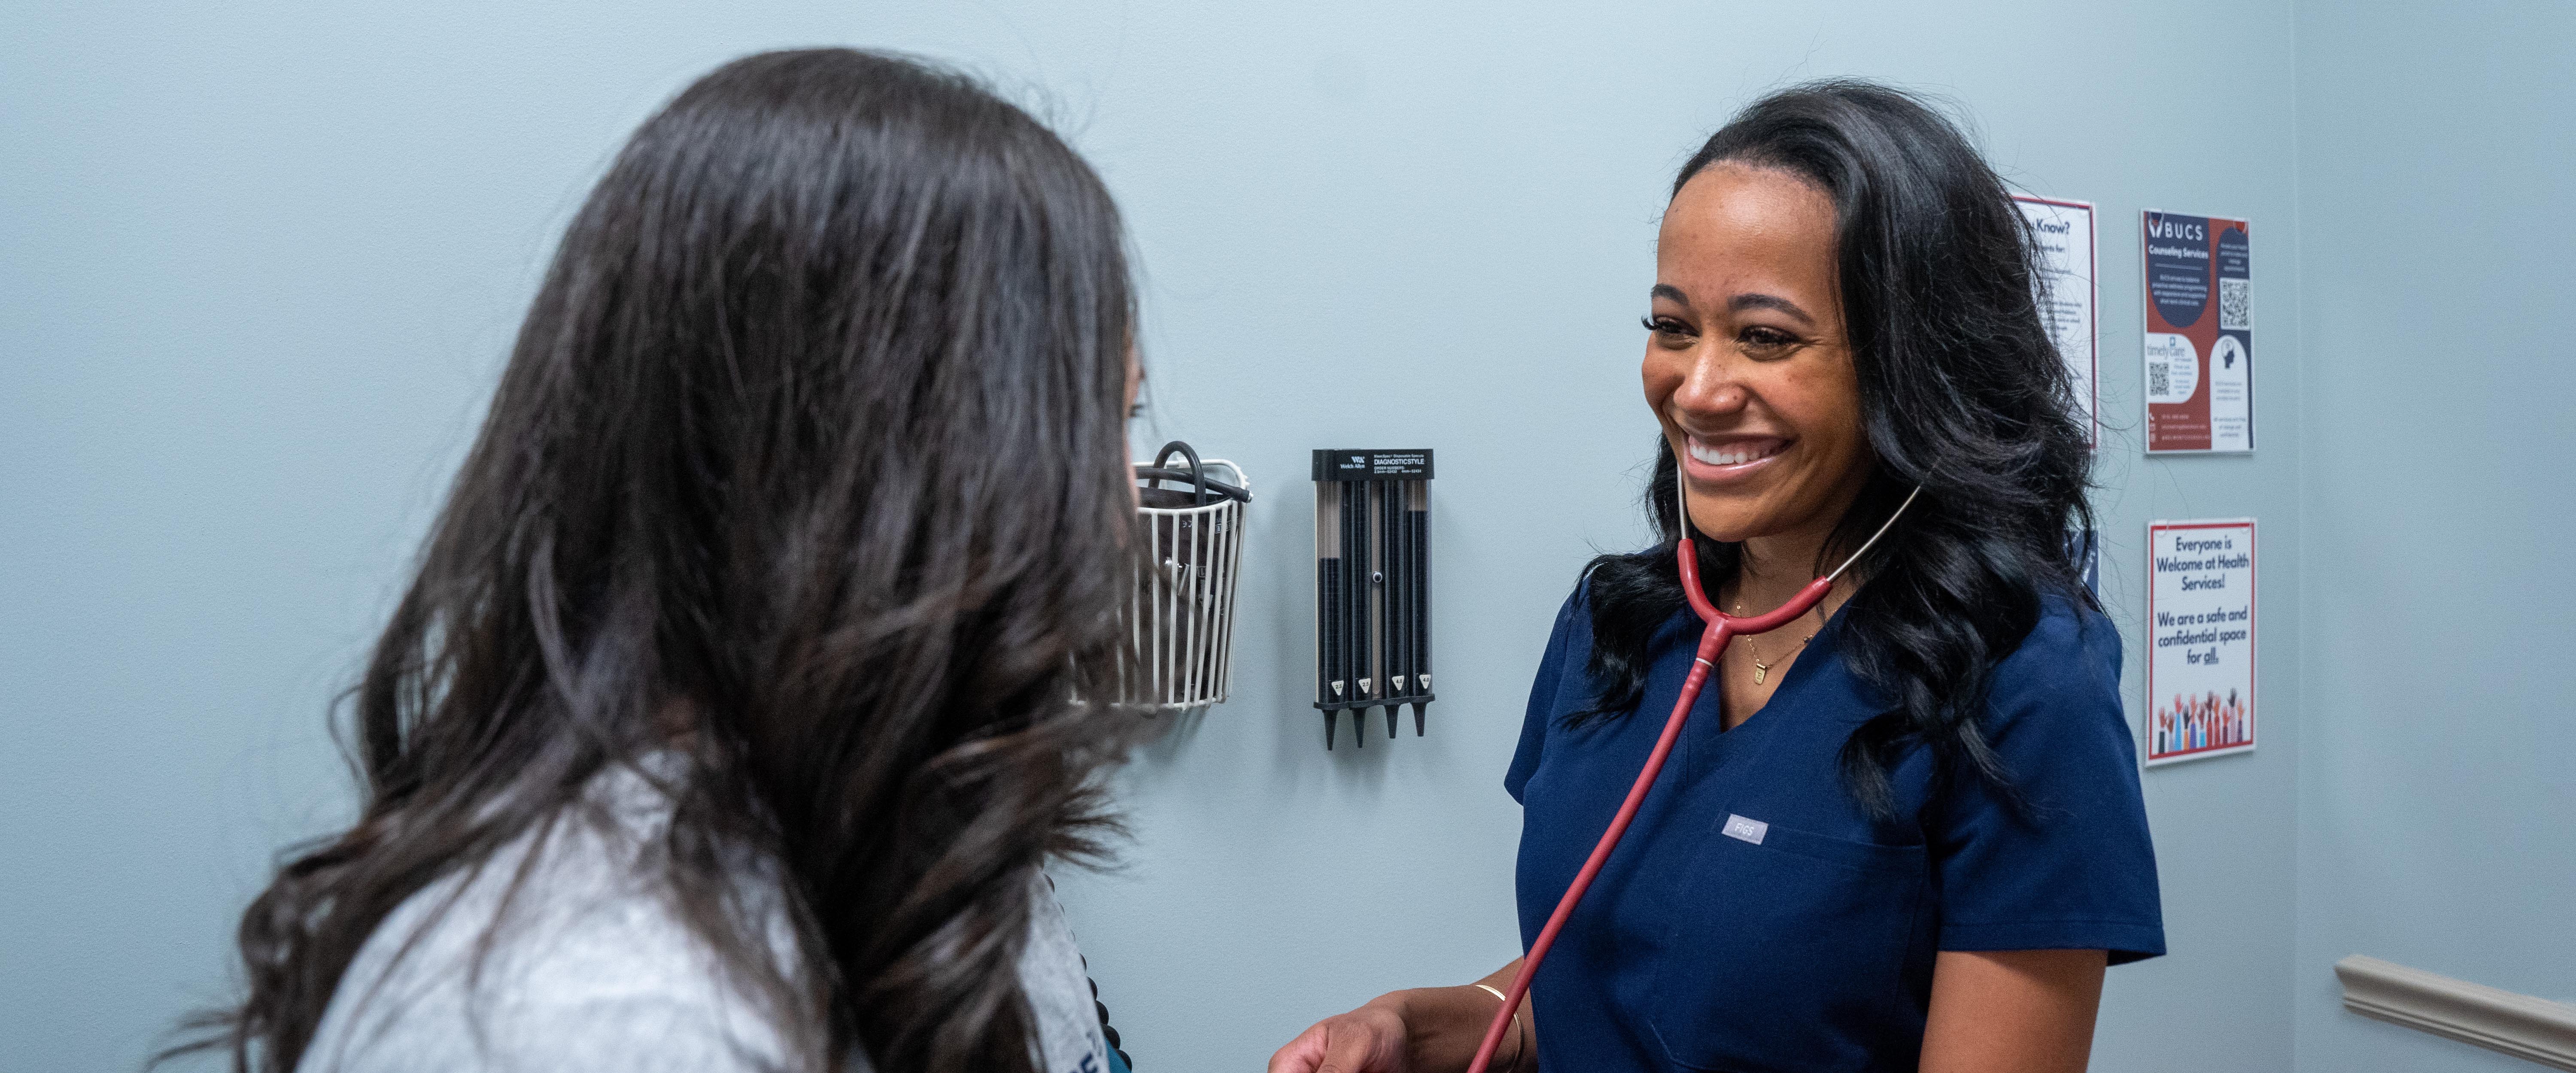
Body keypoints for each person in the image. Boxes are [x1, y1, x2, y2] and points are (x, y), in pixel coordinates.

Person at [169, 48, 1147, 1073]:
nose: (1124, 506)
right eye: (1096, 425)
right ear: (890, 468)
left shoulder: (917, 833)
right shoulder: (591, 1021)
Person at [1272, 81, 2163, 1073]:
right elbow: (1602, 987)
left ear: (1916, 365)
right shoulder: (1618, 624)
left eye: (1767, 337)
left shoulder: (2024, 682)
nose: (1696, 389)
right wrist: (1414, 1024)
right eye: (1672, 327)